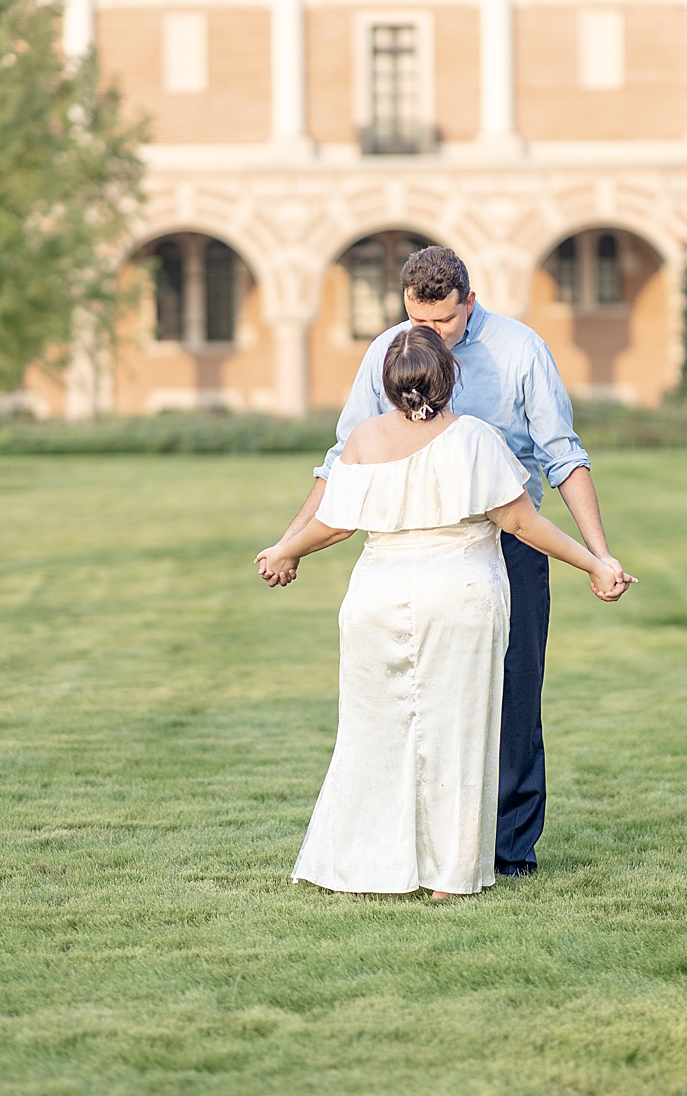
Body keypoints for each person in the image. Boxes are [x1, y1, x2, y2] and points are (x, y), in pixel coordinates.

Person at [259, 246, 629, 877]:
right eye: (415, 322)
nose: (426, 337)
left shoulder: (519, 351)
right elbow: (341, 462)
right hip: (410, 550)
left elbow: (561, 456)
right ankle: (418, 847)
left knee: (513, 698)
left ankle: (509, 849)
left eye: (442, 324)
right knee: (410, 706)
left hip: (506, 547)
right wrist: (289, 542)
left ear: (470, 304)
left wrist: (599, 552)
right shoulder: (389, 350)